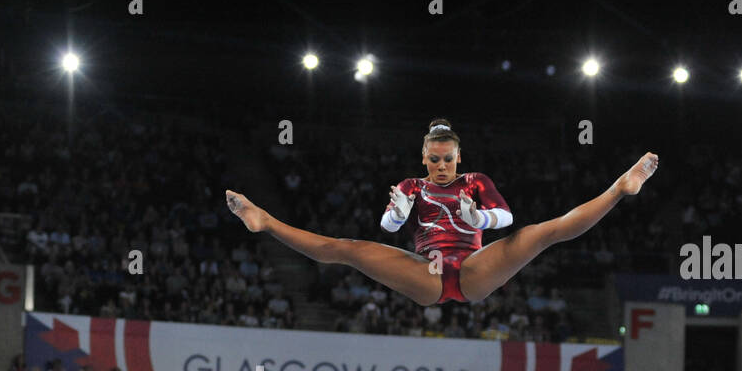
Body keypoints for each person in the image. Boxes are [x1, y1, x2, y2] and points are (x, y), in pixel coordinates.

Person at [226, 119, 657, 309]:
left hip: (473, 269)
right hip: (426, 274)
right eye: (434, 160)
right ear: (424, 158)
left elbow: (505, 217)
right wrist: (397, 213)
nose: (441, 166)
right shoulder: (412, 187)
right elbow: (387, 228)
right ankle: (265, 220)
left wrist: (478, 220)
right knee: (348, 249)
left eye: (447, 159)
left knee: (542, 233)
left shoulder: (476, 181)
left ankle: (620, 187)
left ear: (458, 156)